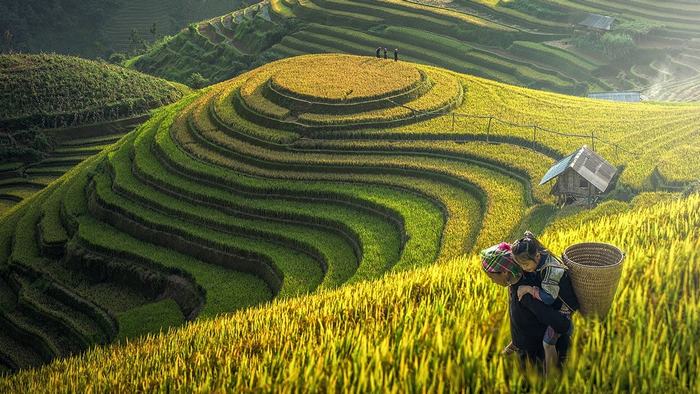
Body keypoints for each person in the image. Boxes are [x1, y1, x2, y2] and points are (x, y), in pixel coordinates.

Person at [480, 241, 573, 373]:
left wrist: (565, 325)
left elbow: (557, 321)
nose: (491, 281)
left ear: (505, 272)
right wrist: (514, 344)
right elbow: (522, 322)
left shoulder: (525, 295)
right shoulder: (512, 285)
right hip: (523, 350)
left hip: (535, 359)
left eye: (491, 277)